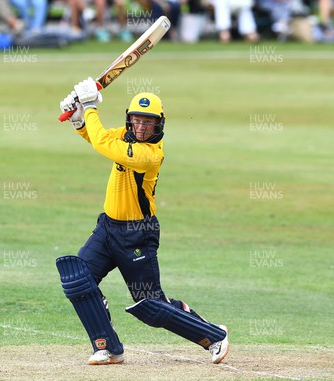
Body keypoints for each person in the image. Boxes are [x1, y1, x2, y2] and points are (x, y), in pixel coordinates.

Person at [57, 78, 230, 366]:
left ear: (158, 125)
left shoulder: (149, 154)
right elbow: (96, 136)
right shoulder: (126, 138)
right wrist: (78, 119)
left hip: (137, 234)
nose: (140, 128)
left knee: (152, 306)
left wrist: (89, 106)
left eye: (147, 123)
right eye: (136, 121)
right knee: (78, 280)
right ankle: (108, 347)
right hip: (107, 228)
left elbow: (103, 144)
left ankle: (214, 336)